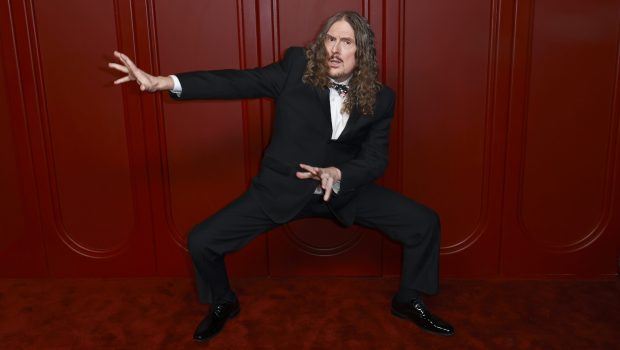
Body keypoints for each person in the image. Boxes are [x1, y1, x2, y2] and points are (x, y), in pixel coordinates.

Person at [109, 11, 455, 341]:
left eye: (346, 42)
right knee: (202, 241)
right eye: (330, 39)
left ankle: (407, 300)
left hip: (340, 189)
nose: (335, 49)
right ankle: (224, 300)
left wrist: (339, 173)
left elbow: (377, 159)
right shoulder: (296, 67)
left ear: (362, 51)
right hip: (283, 187)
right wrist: (165, 82)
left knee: (424, 222)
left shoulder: (381, 98)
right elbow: (237, 82)